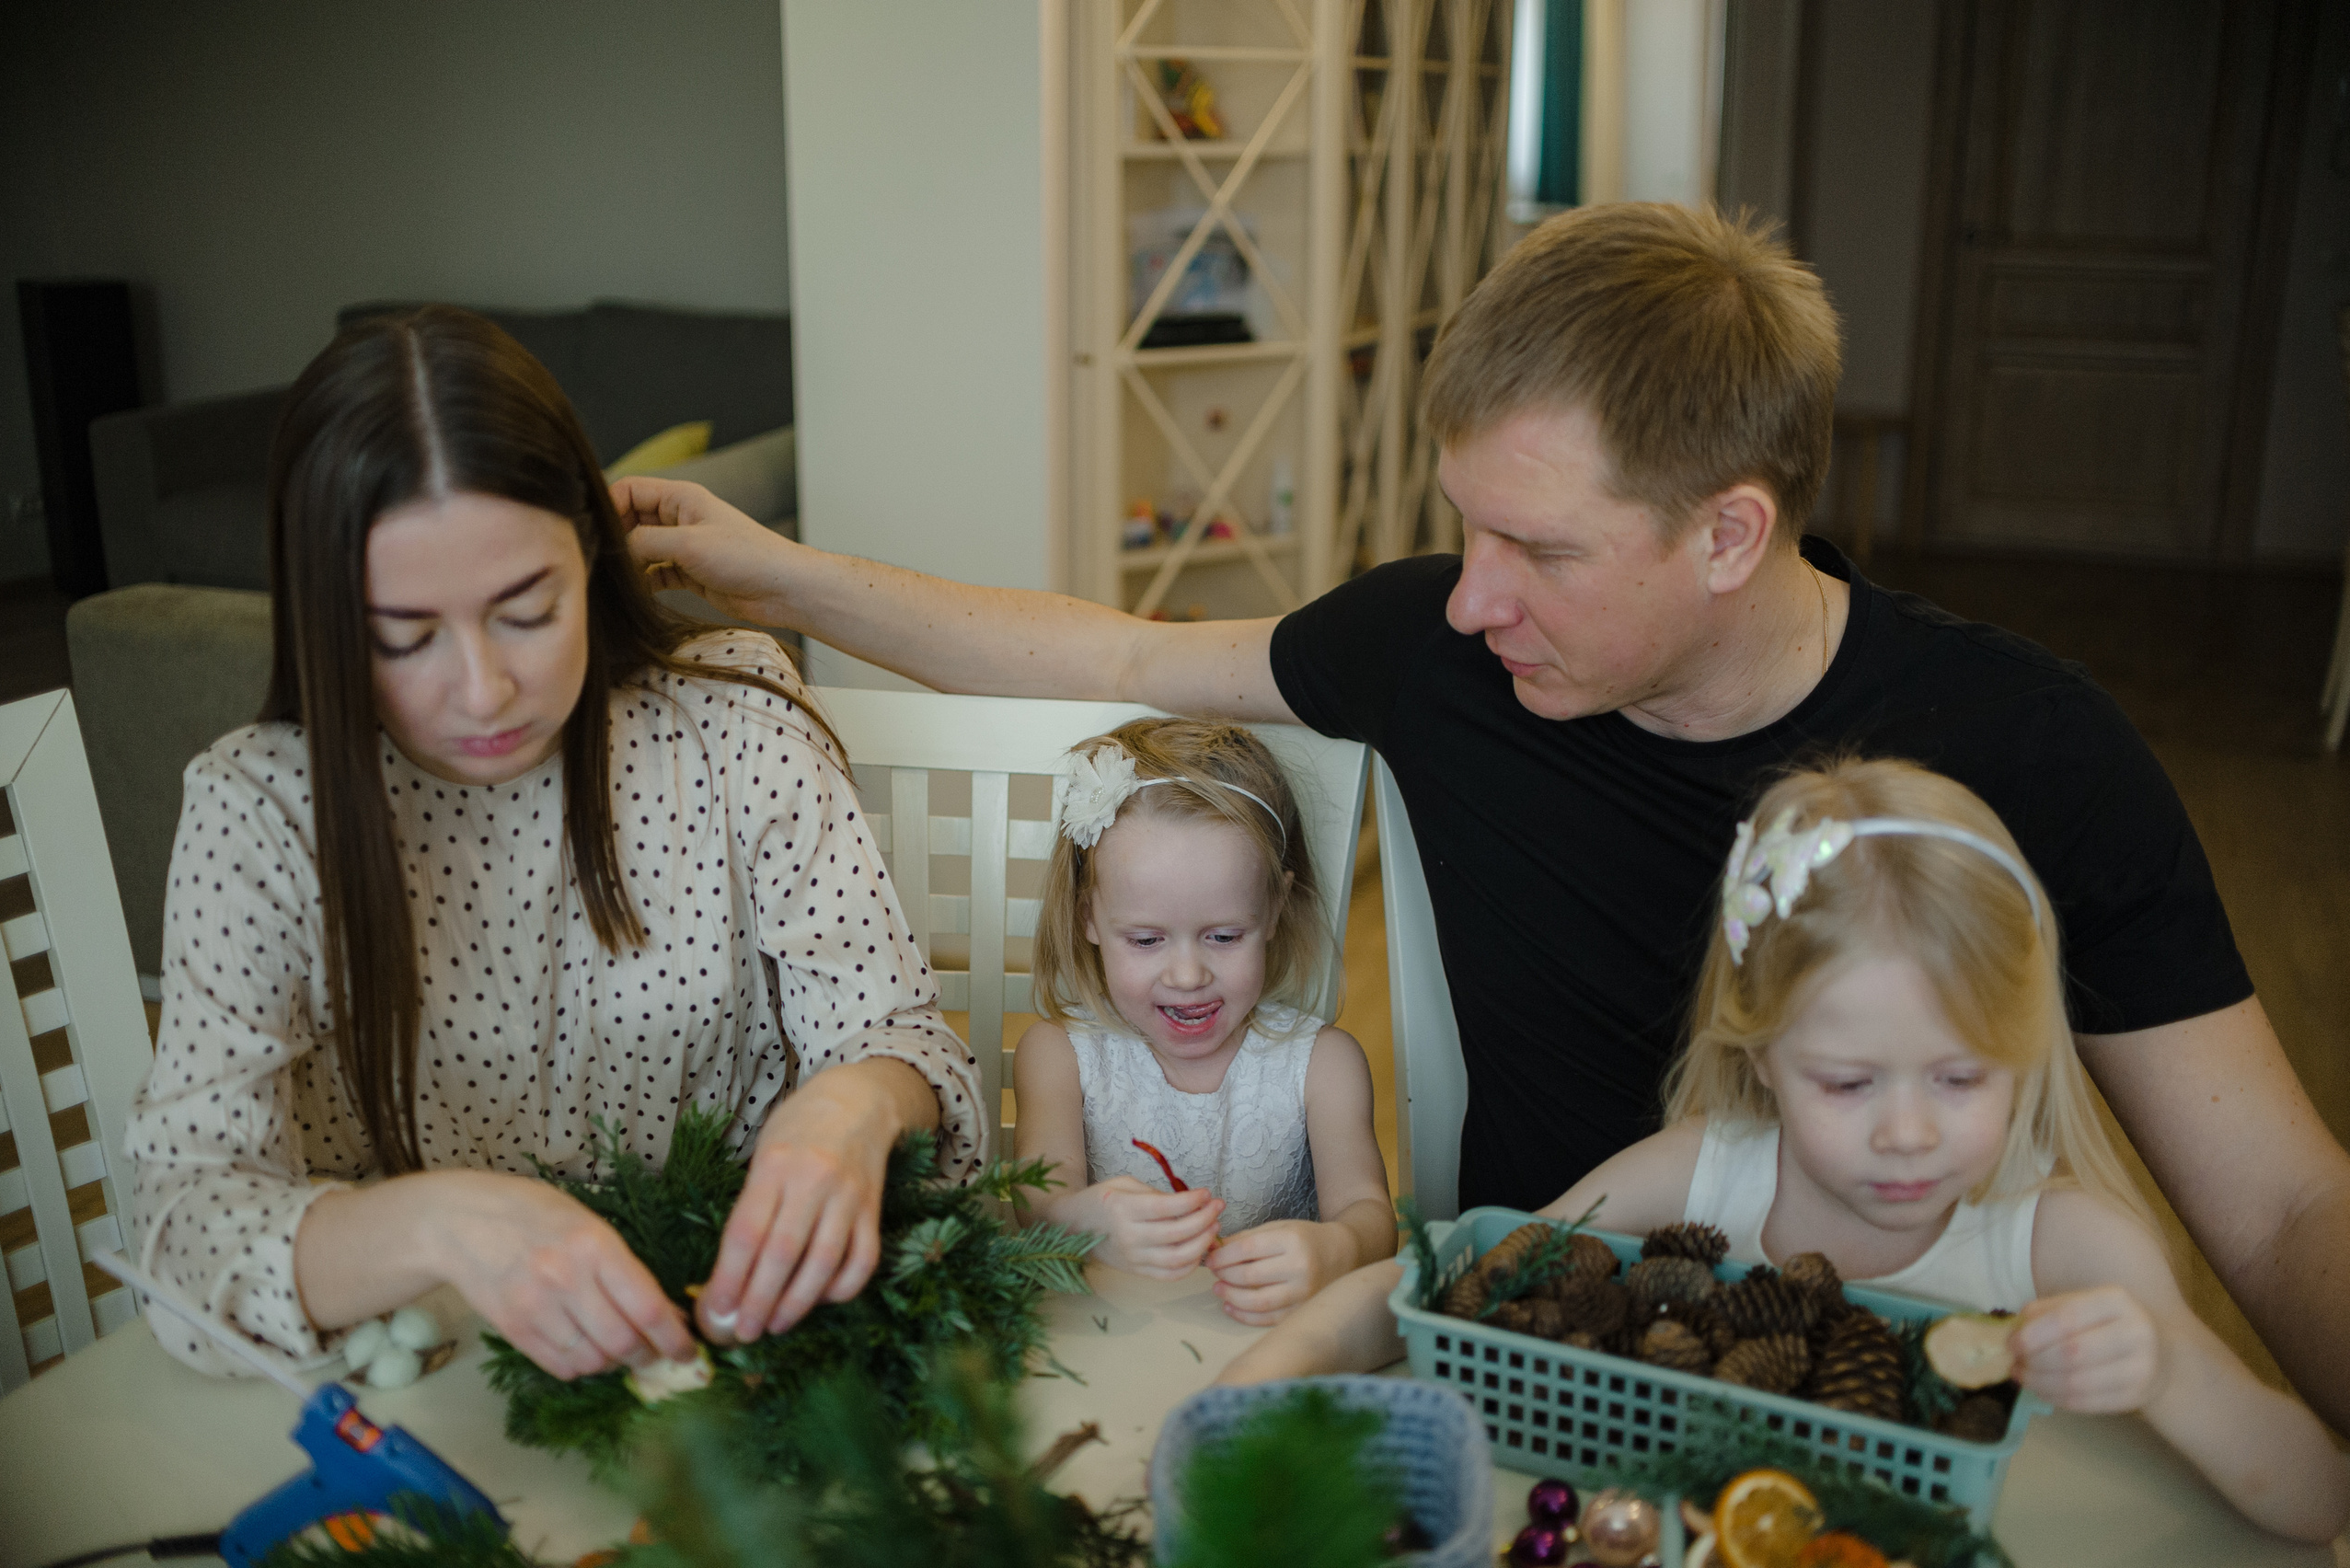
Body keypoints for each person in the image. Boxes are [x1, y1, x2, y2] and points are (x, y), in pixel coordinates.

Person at [611, 204, 2350, 1431]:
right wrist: (776, 568)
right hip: (1541, 1350)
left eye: (1543, 549)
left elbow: (2276, 1212)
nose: (1470, 599)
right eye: (1469, 530)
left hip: (1910, 1372)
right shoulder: (1446, 652)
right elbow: (1114, 647)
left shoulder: (2031, 749)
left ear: (1732, 533)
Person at [128, 307, 984, 1383]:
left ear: (589, 550)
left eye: (526, 610)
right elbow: (180, 1220)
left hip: (733, 1355)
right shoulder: (257, 813)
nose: (482, 690)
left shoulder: (733, 722)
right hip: (421, 1393)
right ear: (326, 618)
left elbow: (902, 1036)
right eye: (404, 637)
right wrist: (437, 1225)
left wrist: (856, 1103)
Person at [1215, 758, 2350, 1542]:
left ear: (2025, 1054)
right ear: (1759, 1057)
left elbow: (2313, 1503)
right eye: (1847, 1083)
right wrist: (1256, 1385)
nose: (1906, 1131)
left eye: (1961, 1079)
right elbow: (1455, 1281)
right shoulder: (1700, 1172)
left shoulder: (2067, 1248)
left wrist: (2168, 1365)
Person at [1011, 719, 1394, 1323]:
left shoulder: (1323, 1064)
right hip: (1108, 1339)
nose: (1187, 975)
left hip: (1271, 1344)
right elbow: (1037, 1198)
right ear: (1088, 918)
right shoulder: (1059, 1055)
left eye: (1223, 935)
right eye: (1145, 939)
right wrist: (1081, 1218)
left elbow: (1370, 1214)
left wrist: (1337, 1248)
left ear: (1272, 909)